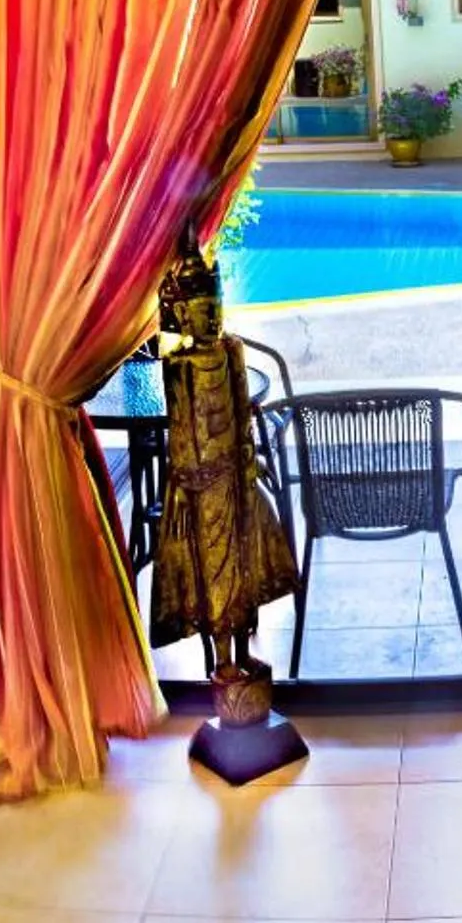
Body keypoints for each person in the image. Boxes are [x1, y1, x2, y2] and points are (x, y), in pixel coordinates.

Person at [148, 239, 300, 679]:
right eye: (201, 311)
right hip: (201, 483)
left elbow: (243, 414)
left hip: (235, 476)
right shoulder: (179, 366)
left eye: (214, 308)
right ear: (183, 315)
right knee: (213, 574)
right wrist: (182, 483)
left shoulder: (231, 352)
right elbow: (179, 431)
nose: (211, 318)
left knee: (246, 566)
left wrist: (248, 460)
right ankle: (223, 660)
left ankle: (243, 647)